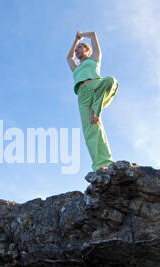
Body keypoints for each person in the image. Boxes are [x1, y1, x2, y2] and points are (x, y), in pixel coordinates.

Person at [67, 30, 118, 172]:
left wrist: (81, 36)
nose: (77, 51)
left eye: (80, 48)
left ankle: (96, 107)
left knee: (111, 81)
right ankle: (101, 164)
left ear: (88, 50)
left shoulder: (94, 58)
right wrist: (75, 41)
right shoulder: (75, 68)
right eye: (76, 50)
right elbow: (69, 58)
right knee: (91, 129)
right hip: (82, 96)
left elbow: (95, 35)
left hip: (96, 87)